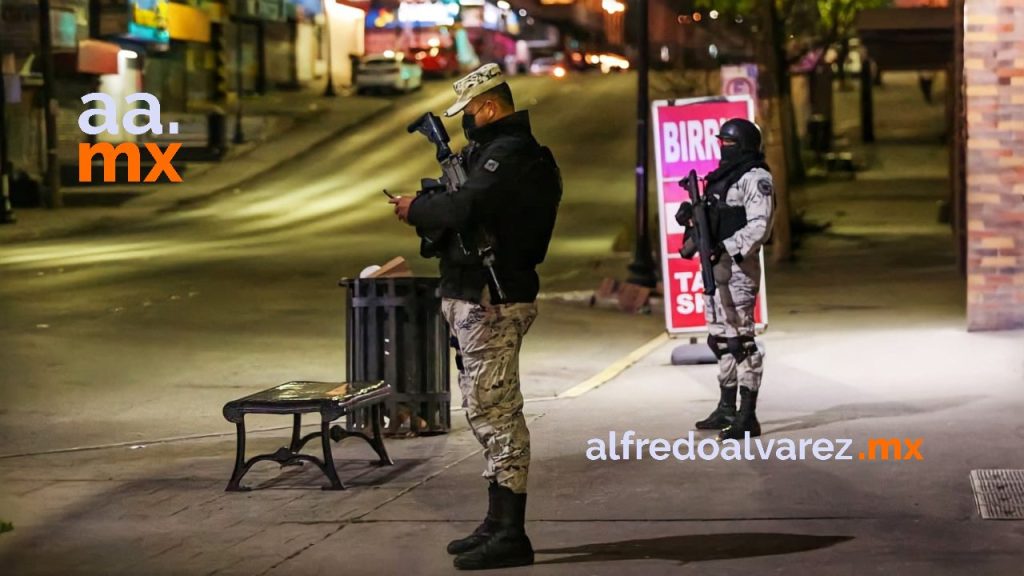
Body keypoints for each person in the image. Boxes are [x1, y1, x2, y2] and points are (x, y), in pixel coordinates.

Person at [390, 63, 562, 570]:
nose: (465, 122)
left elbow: (463, 209)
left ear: (488, 107)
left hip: (494, 297)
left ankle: (511, 533)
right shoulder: (493, 153)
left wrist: (414, 208)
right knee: (485, 410)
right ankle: (496, 521)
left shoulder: (512, 155)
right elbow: (461, 203)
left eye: (468, 112)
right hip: (476, 295)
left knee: (497, 411)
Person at [676, 118, 774, 442]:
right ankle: (727, 406)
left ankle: (748, 416)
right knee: (719, 339)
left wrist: (727, 248)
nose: (723, 149)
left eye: (728, 144)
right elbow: (714, 216)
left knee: (740, 340)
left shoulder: (756, 178)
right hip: (716, 268)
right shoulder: (722, 179)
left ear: (743, 146)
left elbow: (760, 226)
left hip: (738, 270)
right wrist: (691, 215)